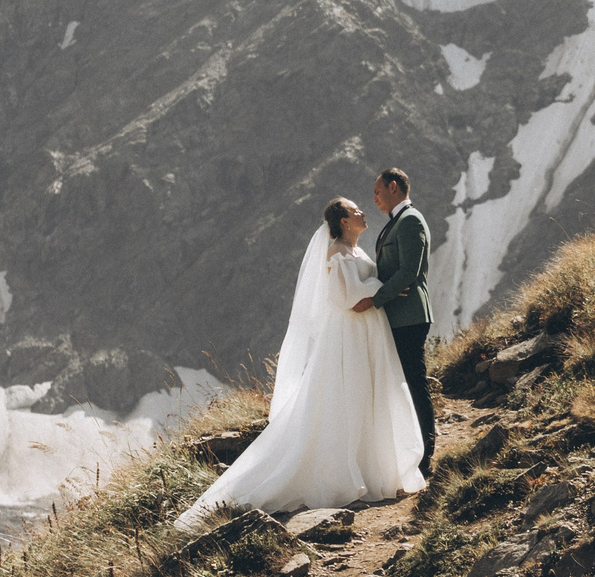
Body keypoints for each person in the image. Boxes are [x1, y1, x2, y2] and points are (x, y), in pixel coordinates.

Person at [172, 198, 424, 526]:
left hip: (366, 331)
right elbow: (343, 298)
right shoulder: (336, 251)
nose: (362, 213)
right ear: (343, 221)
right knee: (347, 395)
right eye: (355, 210)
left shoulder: (355, 251)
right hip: (349, 333)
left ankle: (370, 466)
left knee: (365, 395)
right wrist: (381, 290)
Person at [352, 166, 436, 479]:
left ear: (393, 187)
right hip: (399, 316)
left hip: (411, 316)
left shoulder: (410, 220)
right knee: (407, 384)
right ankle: (414, 451)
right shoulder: (396, 223)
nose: (373, 199)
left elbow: (408, 272)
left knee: (415, 383)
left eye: (377, 192)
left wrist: (374, 299)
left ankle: (426, 455)